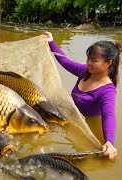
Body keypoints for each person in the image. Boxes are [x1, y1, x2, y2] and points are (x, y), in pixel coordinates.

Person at [43, 31, 120, 160]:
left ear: (108, 63)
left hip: (87, 122)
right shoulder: (84, 71)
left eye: (94, 60)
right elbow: (64, 61)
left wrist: (110, 143)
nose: (89, 62)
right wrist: (51, 42)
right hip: (71, 116)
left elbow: (109, 116)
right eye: (88, 58)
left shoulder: (107, 91)